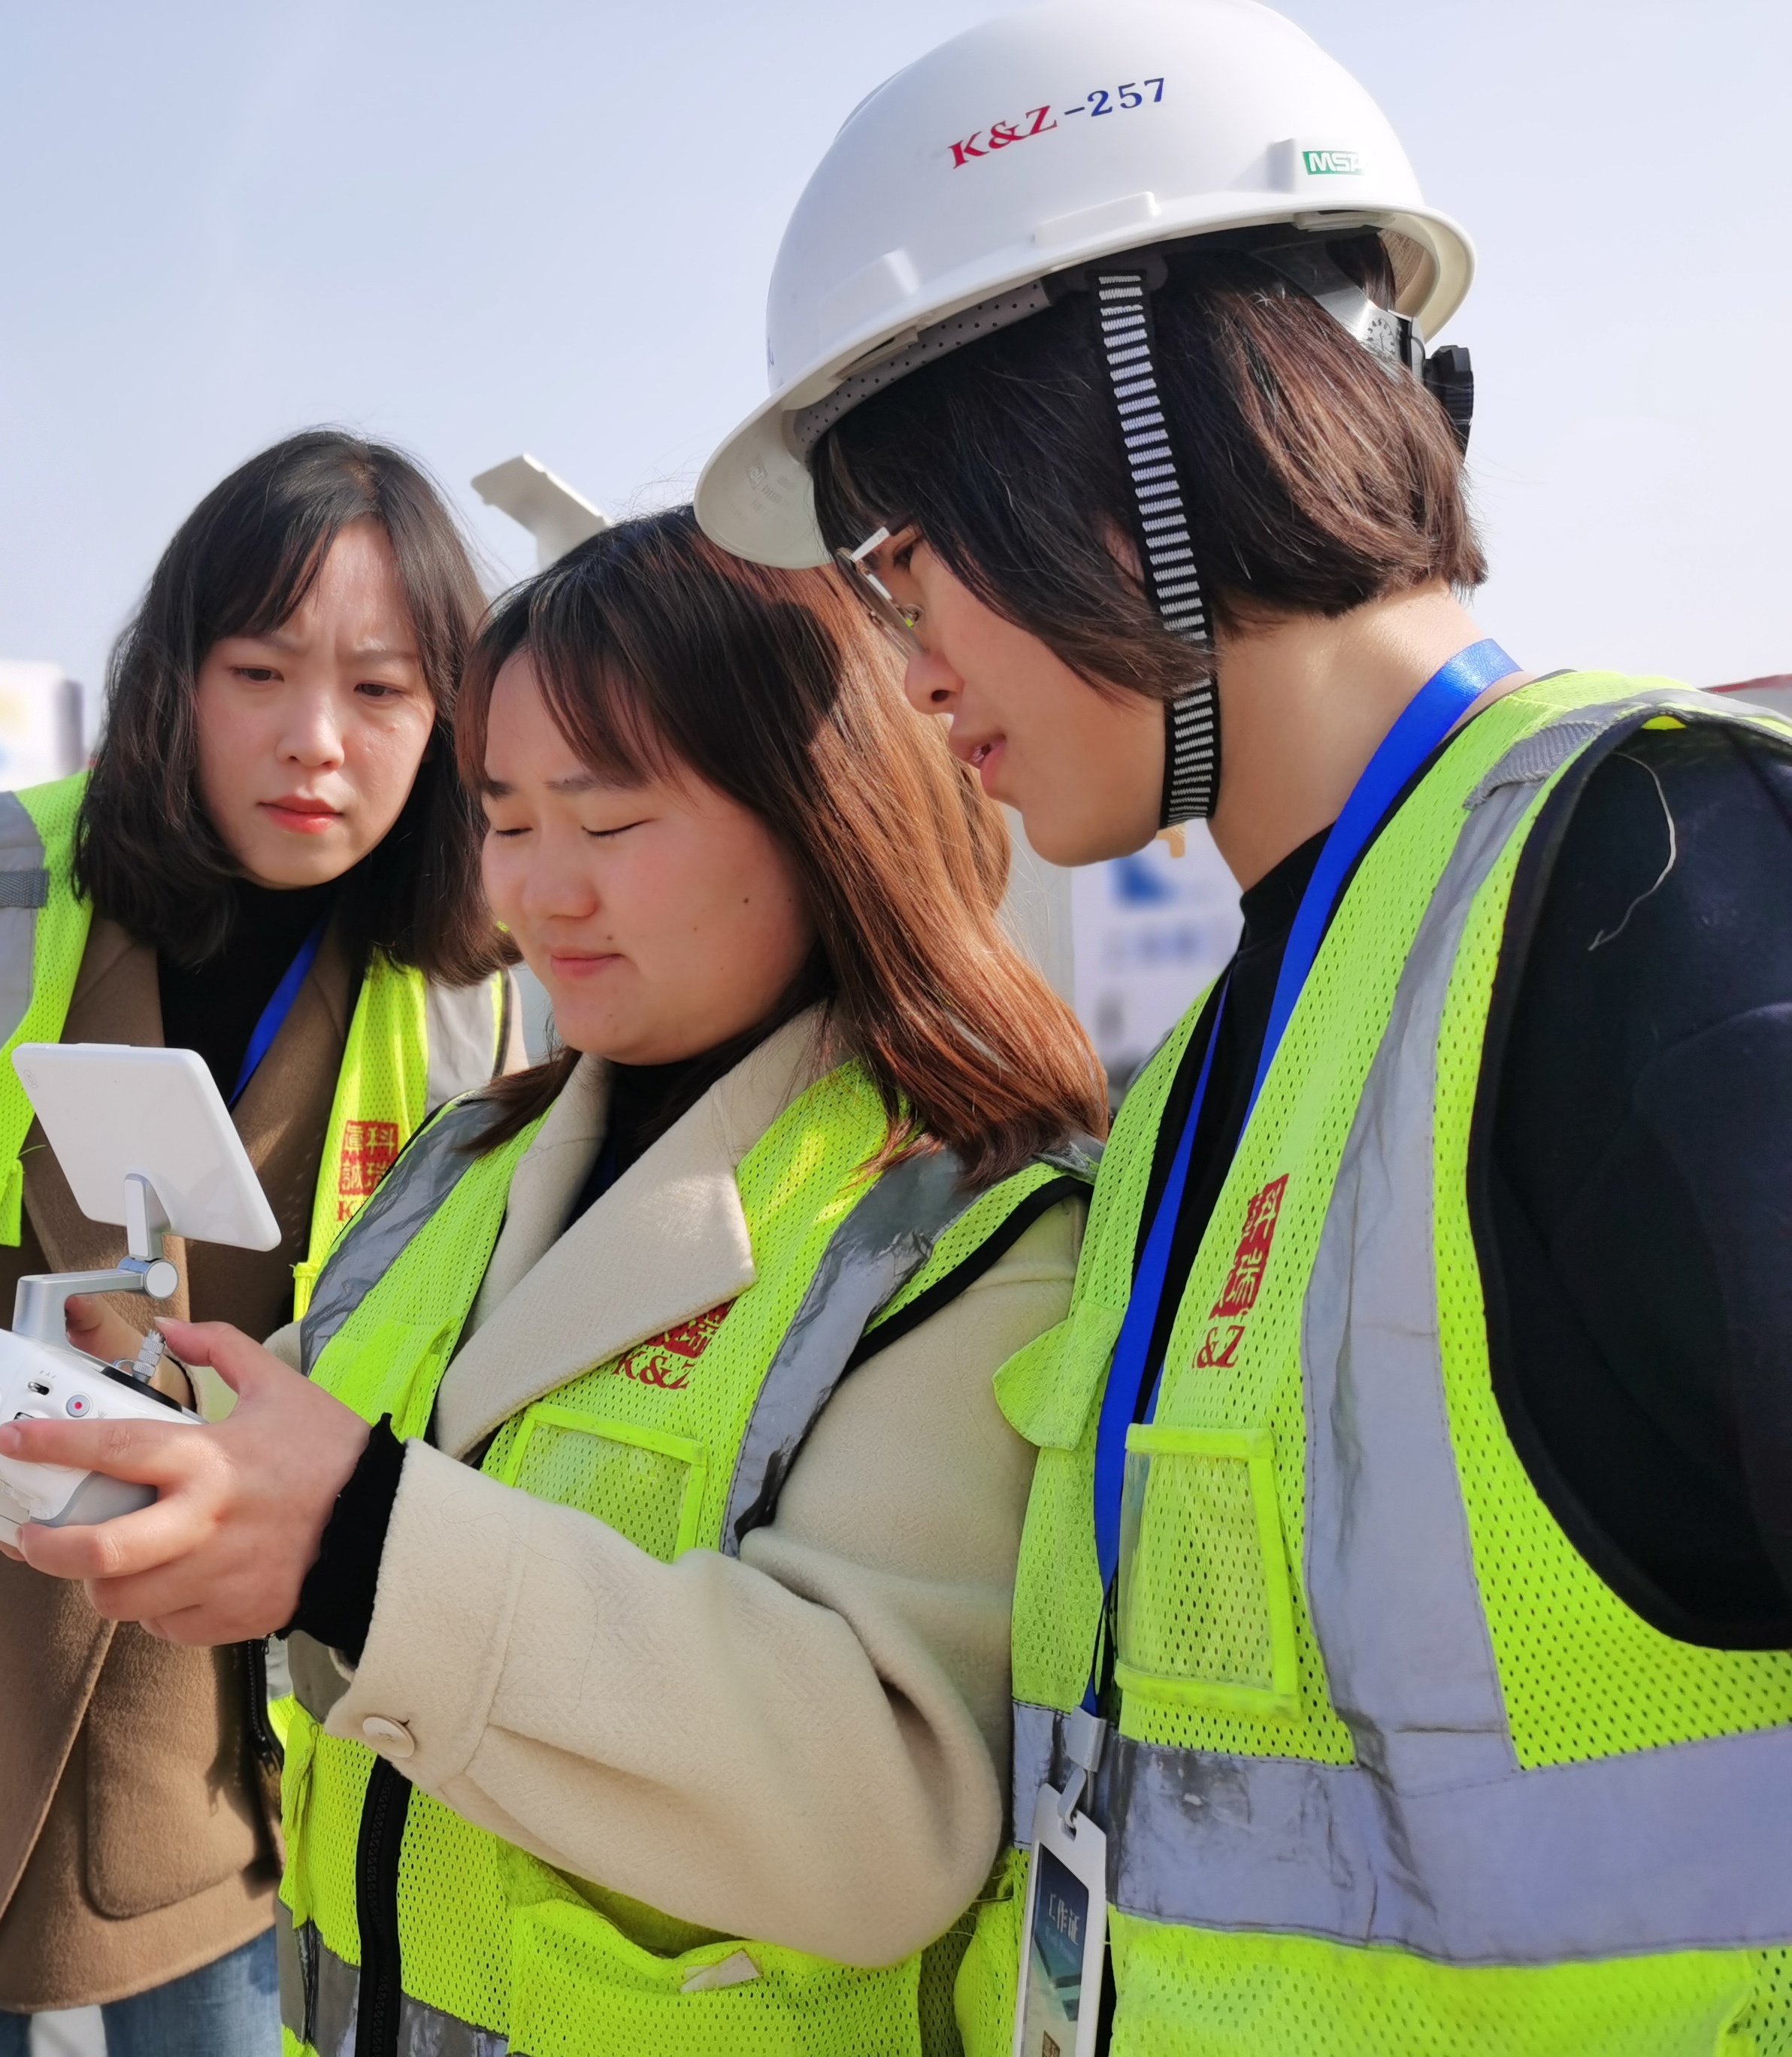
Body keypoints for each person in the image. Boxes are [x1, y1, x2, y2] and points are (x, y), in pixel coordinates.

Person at [693, 2, 1792, 2049]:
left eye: (912, 561)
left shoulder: (1662, 884)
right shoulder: (1248, 1040)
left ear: (1129, 435)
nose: (908, 666)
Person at [0, 506, 1109, 2055]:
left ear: (827, 813)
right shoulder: (471, 1162)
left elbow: (885, 1807)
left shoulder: (968, 1228)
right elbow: (337, 1436)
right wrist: (152, 1417)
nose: (539, 893)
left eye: (612, 823)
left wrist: (355, 1542)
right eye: (507, 823)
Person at [0, 429, 530, 2055]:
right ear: (175, 682)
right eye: (259, 669)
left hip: (215, 1776)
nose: (315, 743)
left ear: (448, 725)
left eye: (382, 690)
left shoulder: (472, 1001)